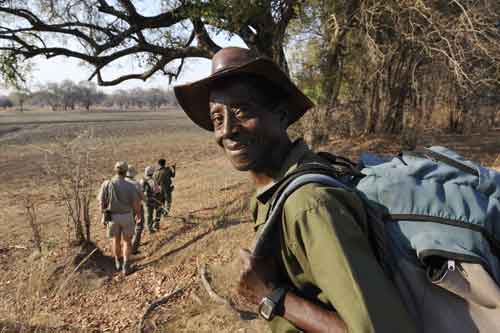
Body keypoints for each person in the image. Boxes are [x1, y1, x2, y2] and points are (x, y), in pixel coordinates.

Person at [174, 47, 416, 332]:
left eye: (242, 112)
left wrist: (270, 296)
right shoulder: (276, 191)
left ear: (280, 115)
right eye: (217, 119)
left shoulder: (308, 205)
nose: (227, 130)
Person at [98, 161, 141, 275]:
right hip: (127, 216)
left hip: (112, 217)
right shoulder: (130, 185)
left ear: (115, 170)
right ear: (126, 171)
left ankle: (118, 262)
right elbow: (136, 203)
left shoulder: (107, 184)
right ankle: (126, 266)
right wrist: (138, 214)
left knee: (115, 240)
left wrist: (103, 216)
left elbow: (101, 202)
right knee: (127, 241)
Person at [125, 166, 145, 254]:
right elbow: (142, 196)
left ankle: (127, 246)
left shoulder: (120, 183)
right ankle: (134, 248)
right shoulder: (136, 183)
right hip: (136, 207)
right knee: (139, 226)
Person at [152, 158, 176, 228]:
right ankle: (165, 213)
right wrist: (174, 168)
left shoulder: (156, 172)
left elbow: (154, 182)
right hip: (167, 190)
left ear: (158, 164)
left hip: (159, 191)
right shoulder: (168, 170)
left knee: (160, 206)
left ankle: (157, 222)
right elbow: (173, 175)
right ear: (164, 163)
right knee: (168, 202)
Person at [142, 166, 161, 234]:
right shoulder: (152, 180)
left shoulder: (142, 180)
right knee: (159, 209)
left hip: (146, 200)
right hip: (153, 199)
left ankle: (149, 228)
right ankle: (156, 224)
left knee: (149, 214)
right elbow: (157, 191)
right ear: (152, 173)